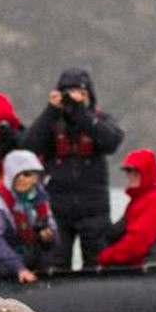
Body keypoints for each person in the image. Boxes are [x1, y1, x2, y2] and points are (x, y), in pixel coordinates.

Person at [21, 69, 124, 269]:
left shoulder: (99, 120)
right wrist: (51, 110)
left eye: (80, 93)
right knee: (55, 266)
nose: (73, 98)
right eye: (68, 93)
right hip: (57, 209)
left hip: (94, 209)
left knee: (97, 266)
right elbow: (27, 148)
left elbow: (112, 142)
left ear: (89, 96)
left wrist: (81, 112)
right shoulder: (51, 123)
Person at [0, 150, 58, 283]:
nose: (22, 179)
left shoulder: (41, 197)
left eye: (27, 174)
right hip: (2, 267)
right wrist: (19, 268)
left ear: (36, 177)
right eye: (17, 175)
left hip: (34, 263)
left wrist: (49, 237)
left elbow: (53, 232)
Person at [97, 149, 156, 266]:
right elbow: (119, 231)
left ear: (147, 172)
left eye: (136, 170)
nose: (130, 175)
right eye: (128, 170)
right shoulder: (140, 199)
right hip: (143, 267)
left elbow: (137, 243)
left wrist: (105, 257)